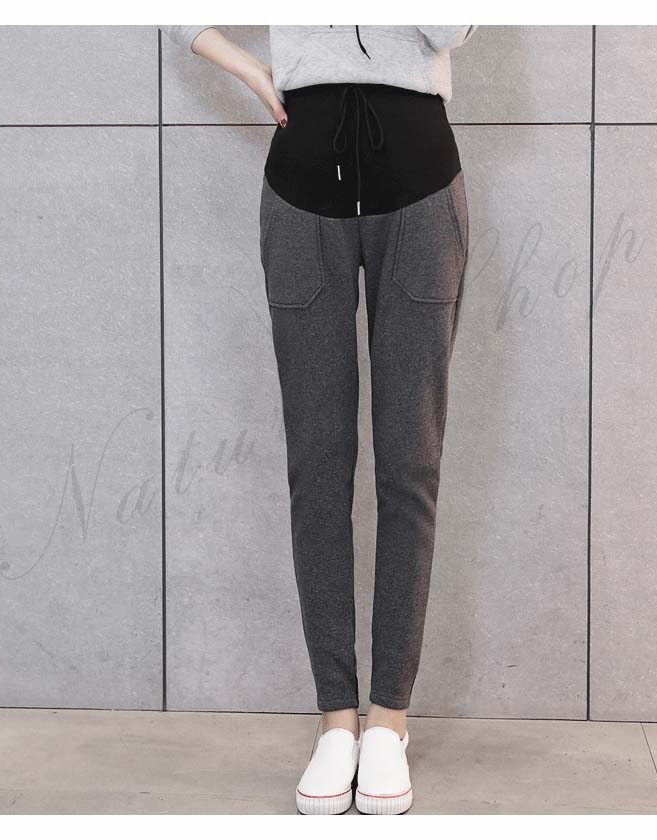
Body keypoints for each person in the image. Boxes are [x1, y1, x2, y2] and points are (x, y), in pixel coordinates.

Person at [160, 24, 475, 815]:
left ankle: (389, 721)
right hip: (302, 191)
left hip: (422, 187)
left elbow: (452, 28)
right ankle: (337, 719)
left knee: (410, 463)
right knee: (318, 464)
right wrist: (250, 69)